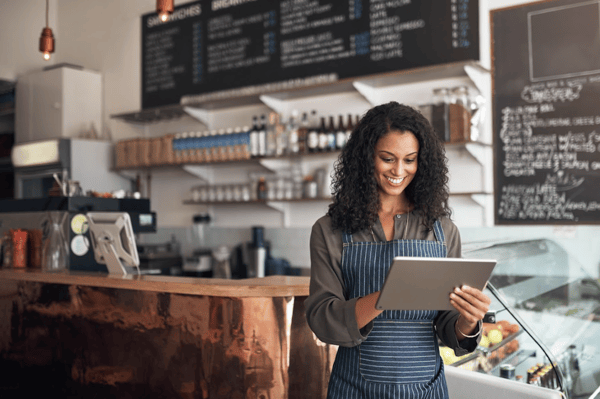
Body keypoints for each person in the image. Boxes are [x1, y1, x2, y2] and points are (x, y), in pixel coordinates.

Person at [305, 102, 491, 398]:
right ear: (366, 159)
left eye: (410, 160)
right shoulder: (330, 230)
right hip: (354, 387)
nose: (399, 170)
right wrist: (386, 296)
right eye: (388, 158)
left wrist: (468, 321)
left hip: (425, 388)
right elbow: (322, 318)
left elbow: (446, 325)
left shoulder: (441, 230)